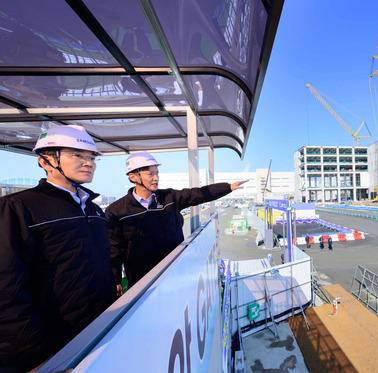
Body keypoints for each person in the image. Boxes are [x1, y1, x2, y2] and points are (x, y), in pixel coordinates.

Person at [0, 125, 116, 373]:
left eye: (92, 157)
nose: (89, 163)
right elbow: (6, 289)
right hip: (52, 347)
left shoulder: (93, 209)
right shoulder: (18, 208)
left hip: (96, 334)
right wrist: (33, 356)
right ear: (45, 161)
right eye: (77, 155)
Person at [106, 151, 247, 293]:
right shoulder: (117, 211)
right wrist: (115, 278)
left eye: (157, 173)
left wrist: (227, 187)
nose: (156, 178)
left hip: (175, 275)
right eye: (150, 174)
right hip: (142, 282)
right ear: (133, 177)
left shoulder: (169, 197)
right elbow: (114, 247)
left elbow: (197, 194)